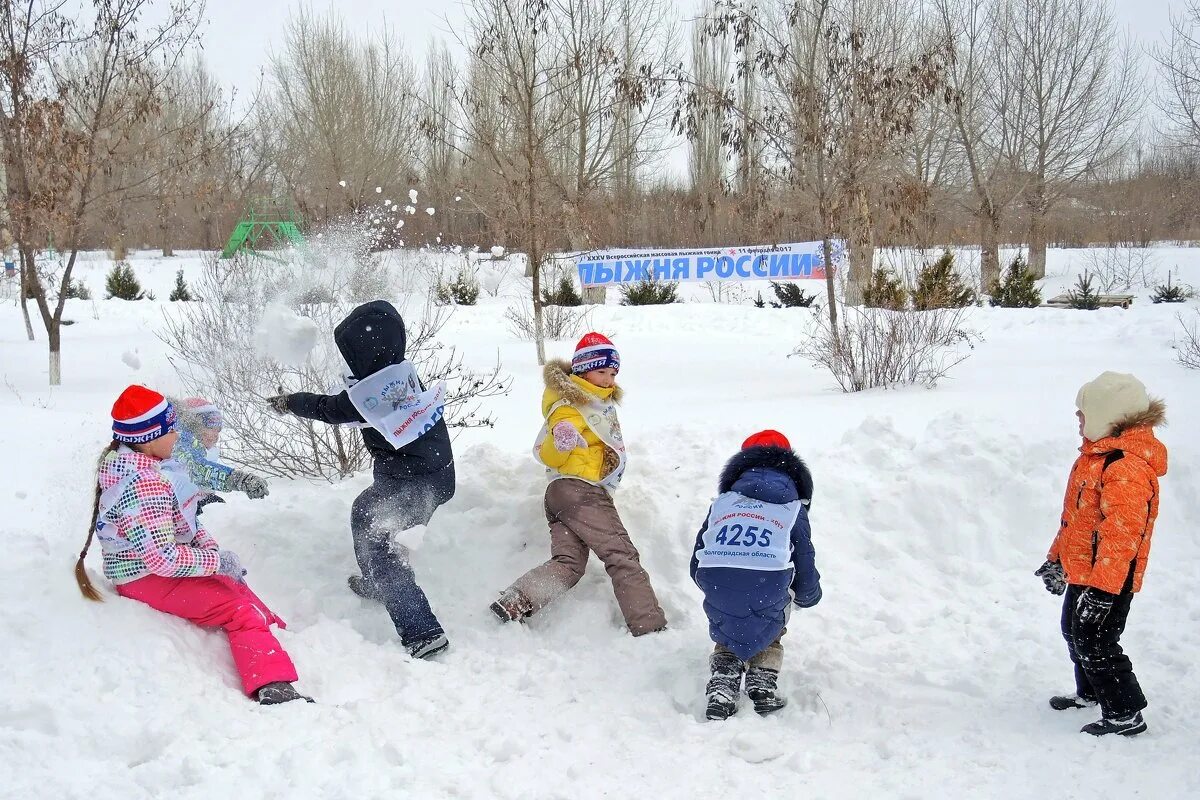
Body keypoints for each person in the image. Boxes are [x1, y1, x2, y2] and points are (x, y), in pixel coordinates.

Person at [74, 385, 311, 705]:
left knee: (231, 580)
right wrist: (216, 562)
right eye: (171, 430)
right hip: (142, 577)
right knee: (238, 611)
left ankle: (274, 631)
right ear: (148, 438)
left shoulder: (136, 465)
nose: (178, 436)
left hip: (146, 569)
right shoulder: (144, 485)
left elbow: (180, 525)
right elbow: (162, 559)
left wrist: (211, 552)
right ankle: (273, 686)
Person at [266, 300, 454, 660]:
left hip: (413, 483)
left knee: (378, 540)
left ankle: (422, 631)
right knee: (371, 515)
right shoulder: (398, 376)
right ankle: (379, 581)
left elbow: (329, 409)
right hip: (431, 476)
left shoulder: (371, 398)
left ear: (365, 354)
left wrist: (290, 402)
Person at [490, 332, 667, 636]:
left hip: (561, 497)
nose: (609, 380)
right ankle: (649, 626)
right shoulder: (570, 405)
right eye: (602, 372)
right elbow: (551, 452)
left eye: (613, 374)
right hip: (581, 492)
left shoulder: (596, 404)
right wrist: (561, 439)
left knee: (569, 564)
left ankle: (515, 601)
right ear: (584, 370)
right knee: (622, 556)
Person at [1036, 371, 1167, 737]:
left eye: (1084, 413)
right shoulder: (1095, 458)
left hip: (1110, 577)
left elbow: (1122, 537)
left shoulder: (1125, 467)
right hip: (1086, 571)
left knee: (1097, 642)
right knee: (1074, 632)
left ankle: (1125, 713)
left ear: (1107, 415)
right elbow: (1076, 522)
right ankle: (1091, 693)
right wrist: (1057, 560)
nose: (1078, 418)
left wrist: (1105, 591)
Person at [690, 430, 821, 721]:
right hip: (768, 581)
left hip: (716, 576)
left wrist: (714, 584)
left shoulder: (723, 503)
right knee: (772, 613)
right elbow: (803, 558)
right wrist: (807, 594)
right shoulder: (792, 508)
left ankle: (722, 687)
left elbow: (699, 552)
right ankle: (762, 683)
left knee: (729, 618)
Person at [167, 396, 270, 512]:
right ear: (193, 426)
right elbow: (199, 470)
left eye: (218, 430)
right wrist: (240, 480)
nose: (216, 435)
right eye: (211, 428)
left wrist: (205, 496)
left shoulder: (201, 449)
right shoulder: (180, 444)